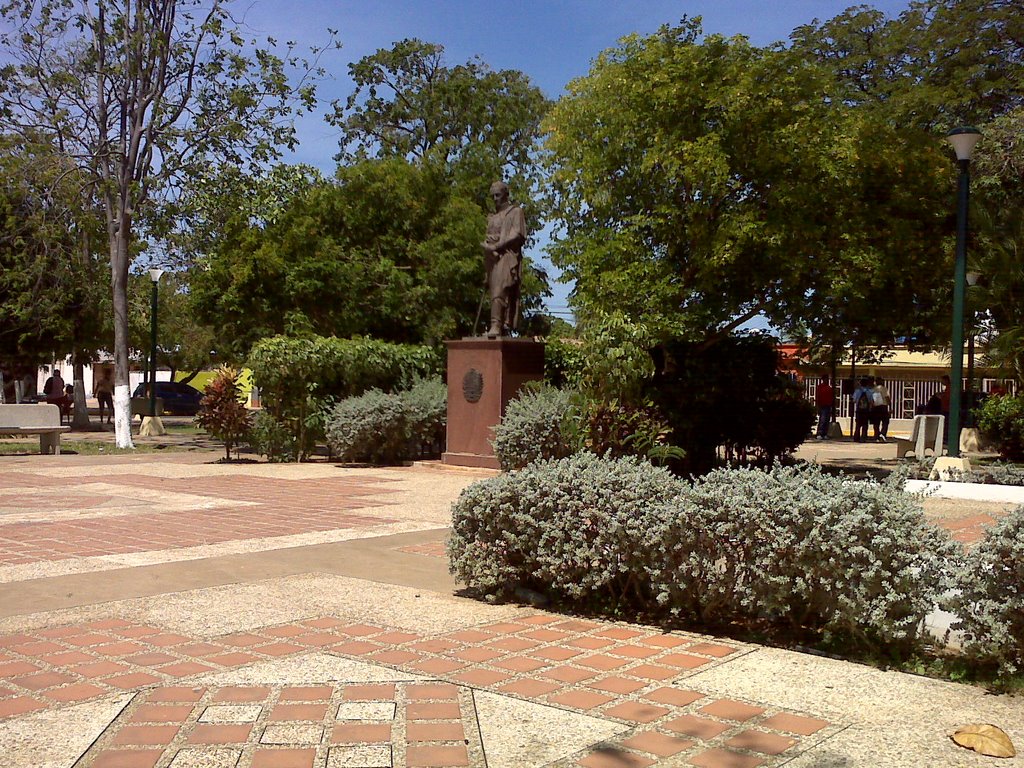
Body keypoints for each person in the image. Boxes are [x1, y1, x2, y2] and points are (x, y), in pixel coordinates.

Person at [481, 180, 526, 338]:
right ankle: (500, 325)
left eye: (498, 195)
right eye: (492, 196)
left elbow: (517, 233)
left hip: (506, 256)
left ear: (506, 195)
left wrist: (498, 245)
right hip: (492, 259)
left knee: (500, 289)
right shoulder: (492, 217)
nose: (495, 199)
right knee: (494, 291)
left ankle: (496, 325)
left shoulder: (515, 212)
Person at [852, 376, 873, 442]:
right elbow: (871, 401)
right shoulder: (869, 391)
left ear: (860, 383)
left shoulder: (857, 391)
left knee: (858, 425)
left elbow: (854, 400)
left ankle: (856, 437)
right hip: (866, 411)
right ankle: (863, 437)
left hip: (859, 410)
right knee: (865, 425)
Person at [871, 378, 891, 443]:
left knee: (876, 423)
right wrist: (890, 406)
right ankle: (882, 434)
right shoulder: (884, 388)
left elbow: (871, 400)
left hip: (875, 407)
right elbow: (887, 398)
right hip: (883, 407)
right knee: (885, 422)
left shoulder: (873, 389)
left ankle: (876, 435)